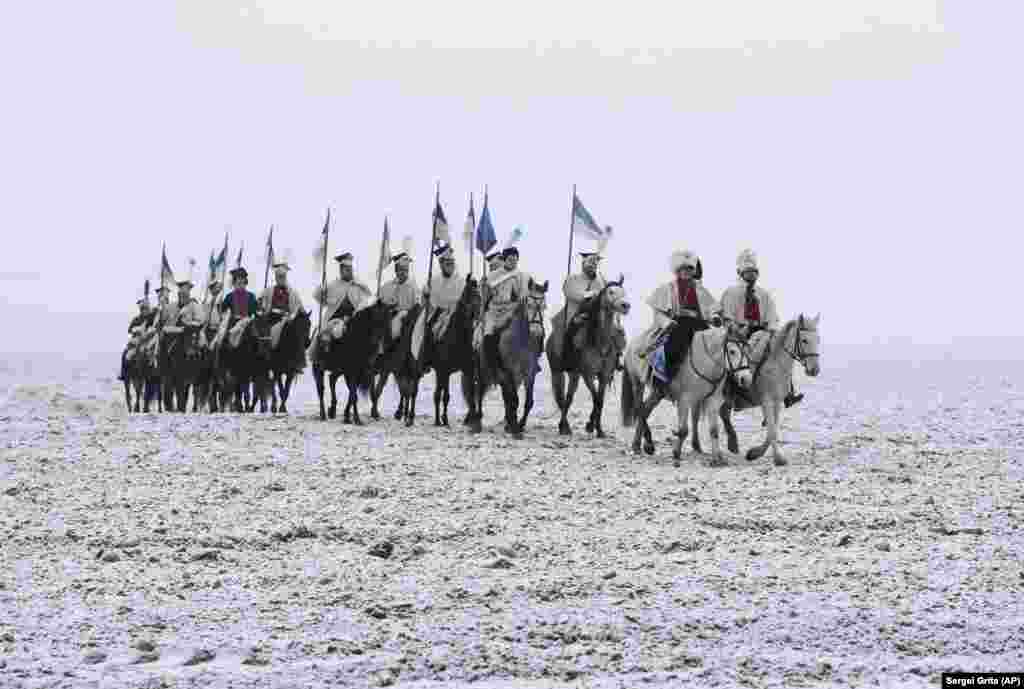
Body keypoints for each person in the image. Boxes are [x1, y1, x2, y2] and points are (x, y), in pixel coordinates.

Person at [720, 248, 802, 407]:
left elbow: (772, 316)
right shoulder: (731, 293)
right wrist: (736, 328)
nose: (751, 275)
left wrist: (771, 328)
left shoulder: (764, 295)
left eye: (754, 272)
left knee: (783, 353)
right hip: (739, 332)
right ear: (740, 273)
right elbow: (727, 316)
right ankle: (729, 392)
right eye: (747, 272)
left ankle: (787, 392)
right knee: (733, 356)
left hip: (762, 331)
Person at [644, 249, 718, 389]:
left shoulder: (700, 289)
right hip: (677, 325)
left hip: (699, 325)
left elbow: (711, 310)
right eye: (683, 269)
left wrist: (714, 318)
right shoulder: (667, 288)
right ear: (677, 270)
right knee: (673, 348)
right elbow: (658, 312)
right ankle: (664, 382)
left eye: (690, 269)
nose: (686, 272)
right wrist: (666, 322)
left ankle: (716, 384)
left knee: (716, 347)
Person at [312, 252, 374, 347]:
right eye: (346, 269)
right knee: (323, 338)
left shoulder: (359, 285)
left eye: (350, 269)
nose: (349, 272)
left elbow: (368, 301)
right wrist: (322, 289)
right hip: (333, 320)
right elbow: (318, 297)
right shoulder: (333, 285)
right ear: (341, 270)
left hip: (354, 320)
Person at [558, 252, 606, 371]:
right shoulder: (572, 278)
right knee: (571, 332)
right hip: (576, 313)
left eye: (595, 264)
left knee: (613, 330)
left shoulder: (599, 282)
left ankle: (614, 359)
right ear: (583, 263)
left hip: (596, 315)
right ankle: (568, 361)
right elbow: (570, 293)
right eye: (590, 263)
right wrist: (590, 294)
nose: (593, 266)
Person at [259, 259, 305, 349]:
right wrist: (262, 305)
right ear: (276, 277)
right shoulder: (268, 290)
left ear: (286, 277)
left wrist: (302, 313)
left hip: (287, 320)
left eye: (283, 276)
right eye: (279, 276)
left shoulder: (293, 292)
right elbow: (261, 302)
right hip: (271, 318)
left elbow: (300, 307)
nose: (281, 278)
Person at [378, 252, 420, 346]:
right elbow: (379, 303)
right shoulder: (386, 287)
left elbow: (417, 307)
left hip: (406, 321)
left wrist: (404, 313)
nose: (403, 273)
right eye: (400, 270)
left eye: (406, 270)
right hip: (387, 318)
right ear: (396, 270)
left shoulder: (413, 288)